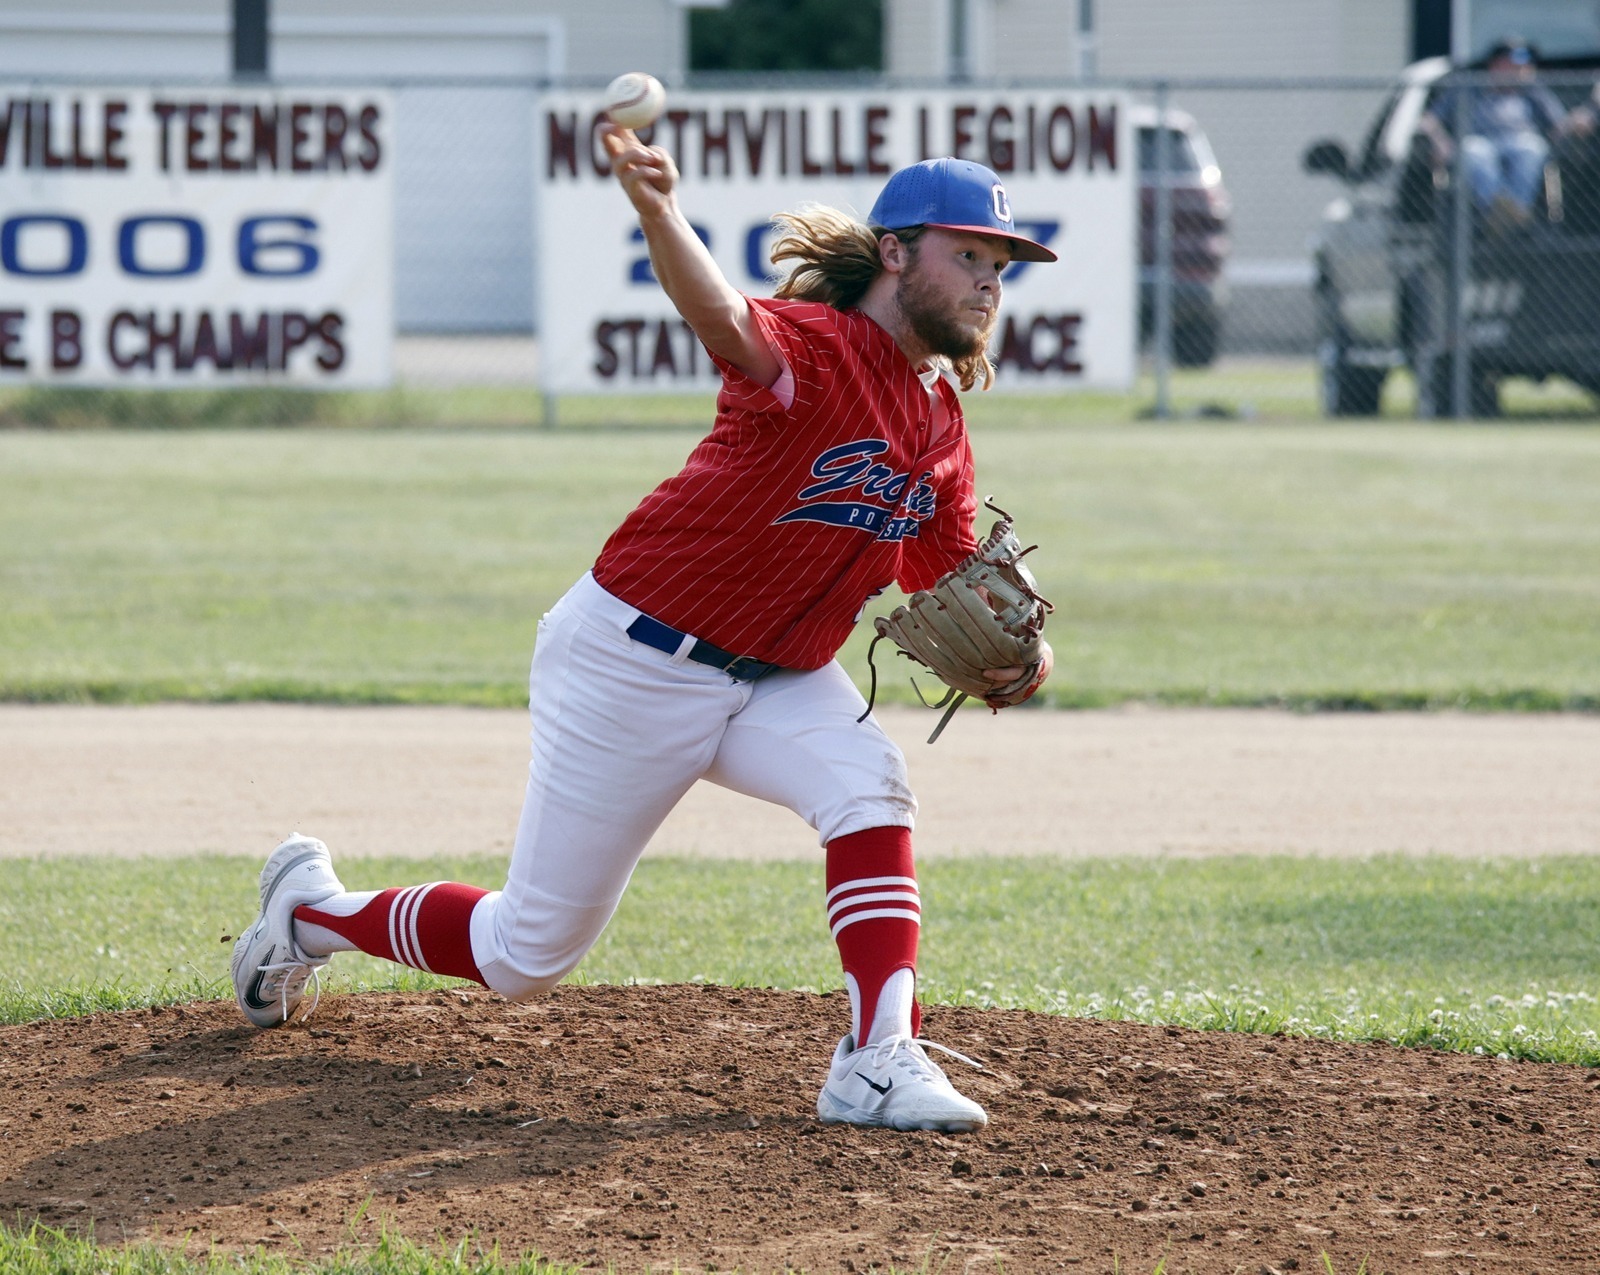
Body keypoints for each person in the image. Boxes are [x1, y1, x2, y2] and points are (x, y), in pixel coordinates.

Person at [229, 130, 1057, 1134]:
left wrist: (1018, 657)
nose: (986, 283)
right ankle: (309, 914)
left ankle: (876, 1059)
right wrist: (662, 211)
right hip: (633, 658)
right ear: (894, 253)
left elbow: (946, 577)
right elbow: (717, 312)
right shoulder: (814, 349)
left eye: (999, 265)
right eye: (966, 255)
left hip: (779, 678)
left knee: (870, 788)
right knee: (523, 956)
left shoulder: (940, 427)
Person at [1418, 37, 1592, 229]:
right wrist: (1440, 142)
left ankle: (1511, 213)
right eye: (1516, 65)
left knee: (1532, 149)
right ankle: (1499, 212)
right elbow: (1429, 120)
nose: (1524, 70)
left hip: (1519, 142)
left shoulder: (1533, 92)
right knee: (1476, 152)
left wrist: (1576, 122)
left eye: (1525, 65)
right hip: (1480, 141)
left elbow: (1559, 125)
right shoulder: (1469, 87)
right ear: (1497, 65)